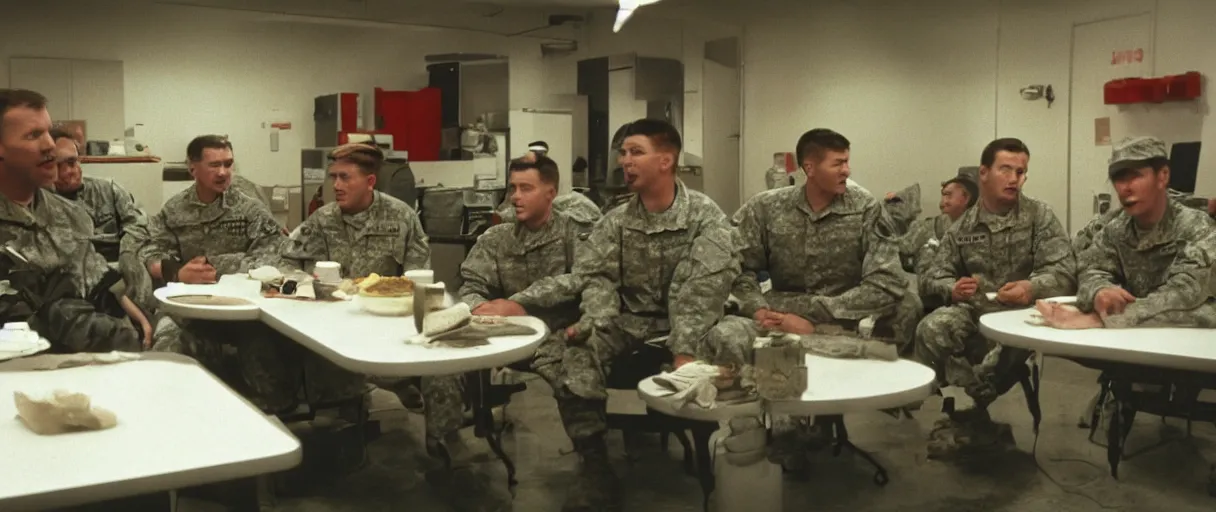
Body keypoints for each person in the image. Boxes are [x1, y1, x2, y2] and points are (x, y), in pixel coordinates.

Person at [559, 119, 751, 510]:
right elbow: (596, 276)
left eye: (635, 152)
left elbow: (704, 287)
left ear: (666, 161)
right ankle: (595, 466)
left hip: (697, 323)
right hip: (632, 322)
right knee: (578, 352)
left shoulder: (704, 215)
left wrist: (683, 348)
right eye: (623, 153)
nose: (624, 161)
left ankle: (717, 452)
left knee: (729, 342)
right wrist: (597, 316)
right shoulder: (615, 219)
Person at [733, 128, 919, 470]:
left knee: (908, 304)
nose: (847, 170)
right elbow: (737, 270)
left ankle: (827, 414)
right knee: (752, 340)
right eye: (838, 163)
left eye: (847, 161)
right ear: (809, 167)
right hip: (779, 314)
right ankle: (786, 429)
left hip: (843, 310)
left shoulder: (864, 207)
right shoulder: (766, 207)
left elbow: (888, 281)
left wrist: (815, 316)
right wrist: (758, 308)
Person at [914, 137, 1076, 458]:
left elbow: (1064, 270)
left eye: (1021, 171)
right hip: (976, 313)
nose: (1015, 178)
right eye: (1006, 169)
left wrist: (1031, 287)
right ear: (984, 173)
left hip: (1023, 317)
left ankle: (970, 408)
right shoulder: (963, 227)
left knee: (997, 361)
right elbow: (932, 276)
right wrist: (952, 287)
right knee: (931, 329)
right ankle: (966, 405)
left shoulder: (1038, 217)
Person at [280, 143, 445, 451]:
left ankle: (420, 416)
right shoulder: (322, 220)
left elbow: (418, 276)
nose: (336, 186)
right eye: (333, 177)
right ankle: (343, 412)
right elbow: (286, 262)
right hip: (332, 324)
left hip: (385, 319)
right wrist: (307, 284)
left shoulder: (401, 216)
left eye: (345, 177)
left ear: (370, 181)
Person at [141, 134, 296, 413]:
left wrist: (218, 268)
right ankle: (173, 414)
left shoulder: (249, 207)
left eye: (228, 164)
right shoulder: (174, 210)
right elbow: (150, 252)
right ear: (193, 168)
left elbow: (276, 254)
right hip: (189, 309)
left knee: (269, 361)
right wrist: (177, 271)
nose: (223, 173)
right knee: (165, 352)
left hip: (244, 309)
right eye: (214, 165)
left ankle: (270, 420)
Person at [0, 89, 143, 352]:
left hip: (82, 366)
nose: (50, 145)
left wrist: (133, 317)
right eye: (33, 135)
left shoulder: (70, 215)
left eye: (47, 132)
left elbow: (98, 285)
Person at [1036, 136, 1216, 330]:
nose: (1124, 188)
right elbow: (1090, 269)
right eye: (1118, 179)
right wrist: (1100, 291)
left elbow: (1184, 292)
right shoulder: (1115, 229)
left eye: (1135, 176)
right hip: (1130, 342)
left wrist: (1102, 319)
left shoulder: (1197, 226)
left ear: (1163, 176)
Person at [48, 129, 155, 313]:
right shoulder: (43, 203)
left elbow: (139, 225)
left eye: (73, 161)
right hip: (79, 279)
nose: (69, 171)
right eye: (58, 165)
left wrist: (128, 255)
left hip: (122, 265)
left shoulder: (108, 189)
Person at [899, 169, 979, 275]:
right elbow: (897, 249)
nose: (943, 201)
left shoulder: (981, 230)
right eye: (943, 195)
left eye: (949, 195)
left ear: (966, 198)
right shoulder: (926, 227)